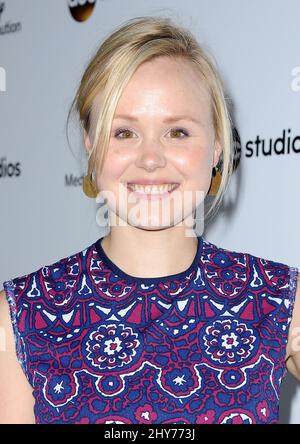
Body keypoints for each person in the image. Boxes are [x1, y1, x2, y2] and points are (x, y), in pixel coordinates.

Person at [0, 15, 299, 425]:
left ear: (216, 146)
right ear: (91, 144)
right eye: (124, 133)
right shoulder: (21, 315)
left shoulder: (281, 299)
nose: (152, 158)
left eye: (177, 132)